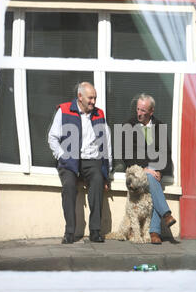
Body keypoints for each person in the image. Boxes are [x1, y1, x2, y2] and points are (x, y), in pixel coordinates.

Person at [48, 82, 112, 244]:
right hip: (69, 159)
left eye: (95, 98)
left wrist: (107, 172)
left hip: (92, 160)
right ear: (80, 97)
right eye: (90, 98)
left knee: (97, 181)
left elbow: (107, 142)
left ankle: (95, 231)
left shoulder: (99, 114)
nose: (93, 102)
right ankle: (70, 232)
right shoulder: (64, 111)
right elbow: (52, 138)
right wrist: (63, 156)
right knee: (69, 185)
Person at [122, 94, 177, 245]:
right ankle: (162, 220)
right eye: (138, 109)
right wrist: (144, 169)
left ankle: (154, 231)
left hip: (153, 170)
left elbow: (166, 153)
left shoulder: (159, 126)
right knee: (151, 177)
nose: (139, 113)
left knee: (153, 179)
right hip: (136, 171)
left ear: (151, 111)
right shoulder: (129, 125)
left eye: (143, 110)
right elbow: (127, 155)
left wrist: (158, 169)